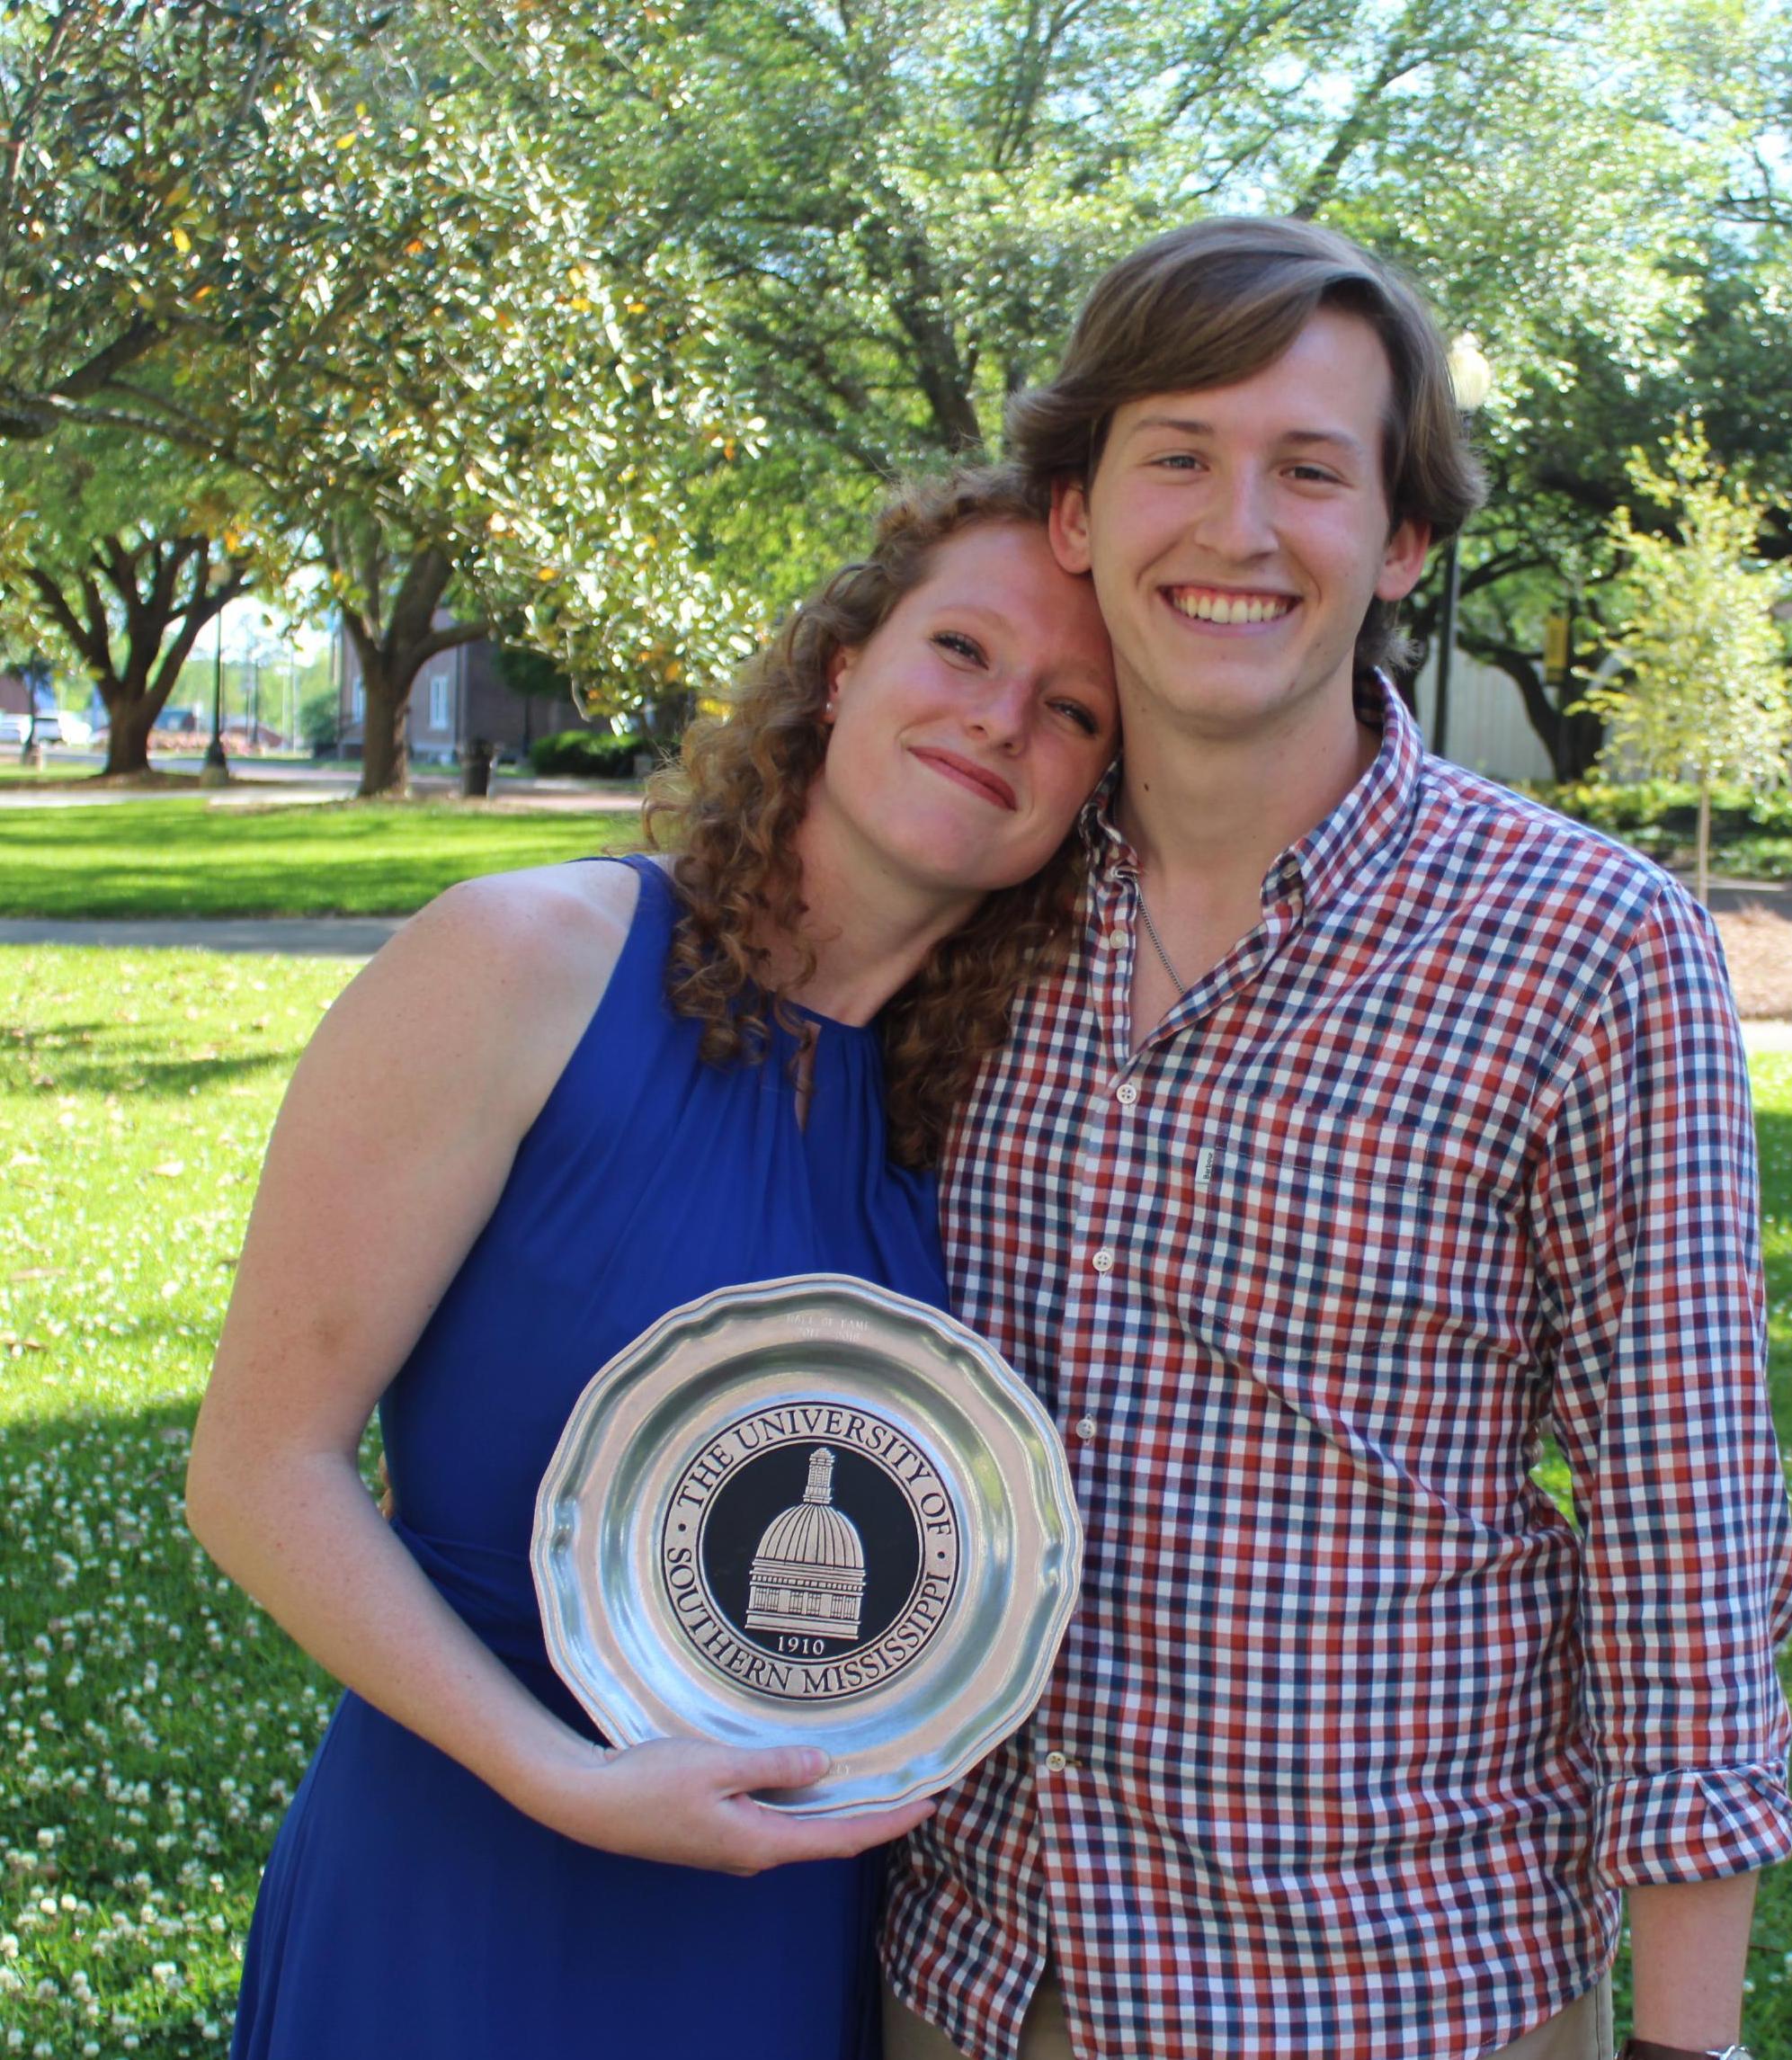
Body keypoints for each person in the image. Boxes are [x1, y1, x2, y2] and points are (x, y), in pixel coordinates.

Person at [881, 218, 1792, 2060]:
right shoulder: (969, 898)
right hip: (977, 1978)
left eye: (1309, 470)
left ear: (1400, 542)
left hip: (1393, 1987)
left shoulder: (1589, 946)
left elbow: (1683, 1532)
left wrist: (1687, 2045)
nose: (1237, 528)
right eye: (1178, 457)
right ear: (1076, 512)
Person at [184, 467, 1118, 2060]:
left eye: (1074, 710)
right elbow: (256, 1472)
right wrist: (561, 1778)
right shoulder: (524, 962)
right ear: (844, 668)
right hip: (470, 1884)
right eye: (960, 650)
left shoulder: (983, 1112)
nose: (1001, 719)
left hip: (790, 1922)